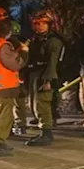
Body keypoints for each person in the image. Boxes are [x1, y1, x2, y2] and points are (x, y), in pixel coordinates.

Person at [0, 14, 28, 156]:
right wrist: (23, 53)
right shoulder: (2, 45)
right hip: (3, 88)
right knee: (3, 116)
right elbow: (15, 64)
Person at [25, 10, 64, 146]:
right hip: (34, 75)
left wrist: (48, 80)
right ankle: (43, 131)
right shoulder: (35, 40)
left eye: (43, 23)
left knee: (42, 104)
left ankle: (46, 133)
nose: (40, 26)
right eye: (37, 24)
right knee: (34, 104)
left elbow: (53, 62)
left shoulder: (53, 41)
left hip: (44, 75)